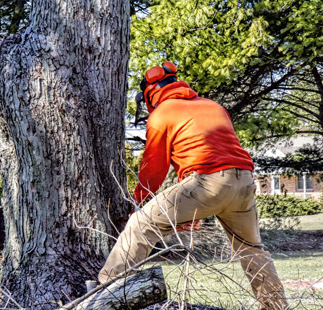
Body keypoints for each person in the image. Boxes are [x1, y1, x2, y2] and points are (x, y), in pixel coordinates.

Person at [98, 61, 288, 309]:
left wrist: (140, 202)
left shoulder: (162, 112)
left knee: (140, 224)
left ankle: (104, 293)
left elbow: (154, 168)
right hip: (244, 181)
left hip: (208, 181)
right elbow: (204, 153)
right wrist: (189, 209)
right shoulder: (212, 106)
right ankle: (276, 306)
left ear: (150, 93)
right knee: (252, 249)